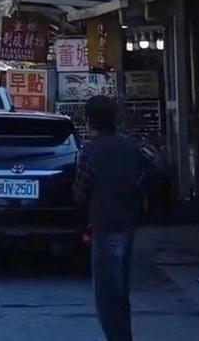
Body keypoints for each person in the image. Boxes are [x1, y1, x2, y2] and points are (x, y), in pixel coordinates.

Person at [73, 95, 147, 341]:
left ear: (89, 120)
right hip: (127, 222)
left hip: (104, 224)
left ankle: (117, 337)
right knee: (121, 288)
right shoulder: (130, 147)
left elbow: (80, 192)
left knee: (107, 293)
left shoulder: (89, 151)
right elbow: (151, 173)